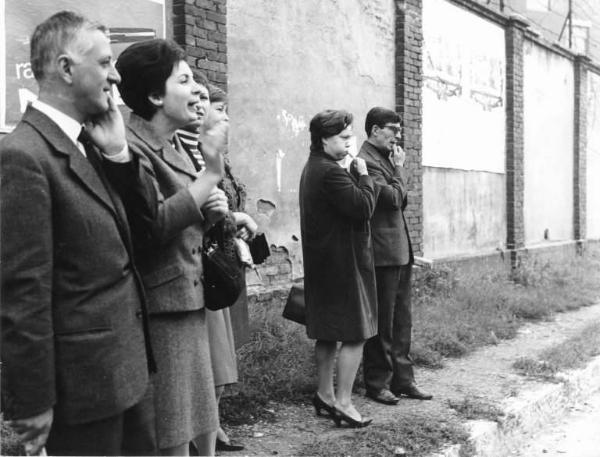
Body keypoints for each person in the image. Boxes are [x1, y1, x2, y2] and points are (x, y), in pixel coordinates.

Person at [0, 11, 158, 456]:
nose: (117, 74)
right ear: (67, 69)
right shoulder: (24, 157)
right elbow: (23, 293)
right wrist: (32, 401)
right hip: (81, 393)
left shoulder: (90, 144)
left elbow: (145, 230)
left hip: (125, 375)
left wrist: (121, 155)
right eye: (106, 62)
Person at [115, 39, 229, 456]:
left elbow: (186, 214)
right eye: (185, 79)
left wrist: (211, 214)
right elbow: (152, 225)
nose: (196, 88)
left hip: (186, 301)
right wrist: (210, 175)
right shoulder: (128, 147)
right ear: (154, 95)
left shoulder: (175, 141)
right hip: (159, 309)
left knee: (189, 426)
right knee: (168, 434)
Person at [299, 109, 377, 428]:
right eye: (344, 138)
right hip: (342, 265)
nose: (350, 143)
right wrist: (363, 173)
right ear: (323, 139)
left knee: (328, 334)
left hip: (324, 263)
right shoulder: (332, 172)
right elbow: (363, 208)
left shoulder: (313, 167)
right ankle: (343, 402)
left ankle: (324, 394)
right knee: (356, 335)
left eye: (350, 136)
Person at [359, 107, 432, 405]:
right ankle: (377, 383)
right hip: (382, 253)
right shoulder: (364, 161)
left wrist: (397, 176)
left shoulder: (384, 160)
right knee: (384, 323)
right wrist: (399, 170)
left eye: (398, 131)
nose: (397, 136)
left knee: (402, 320)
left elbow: (402, 200)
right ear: (375, 130)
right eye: (393, 129)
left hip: (399, 251)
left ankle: (404, 380)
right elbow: (390, 199)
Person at [200, 85, 256, 453]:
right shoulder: (199, 157)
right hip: (210, 265)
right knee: (212, 358)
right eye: (218, 108)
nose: (225, 116)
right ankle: (205, 428)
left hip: (227, 262)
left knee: (223, 355)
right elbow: (206, 212)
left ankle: (212, 424)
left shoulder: (220, 156)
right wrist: (236, 217)